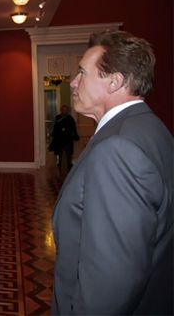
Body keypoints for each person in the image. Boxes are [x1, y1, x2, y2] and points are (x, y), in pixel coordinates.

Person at [52, 31, 173, 315]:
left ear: (115, 81)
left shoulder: (118, 148)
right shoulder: (151, 128)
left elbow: (109, 282)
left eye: (82, 73)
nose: (73, 82)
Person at [49, 105, 79, 170]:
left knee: (69, 153)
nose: (64, 111)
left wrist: (75, 135)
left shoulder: (70, 118)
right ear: (61, 110)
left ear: (68, 111)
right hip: (59, 139)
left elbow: (74, 128)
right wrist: (54, 134)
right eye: (63, 109)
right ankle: (59, 166)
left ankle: (69, 166)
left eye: (66, 110)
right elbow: (55, 127)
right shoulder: (58, 117)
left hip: (68, 139)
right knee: (59, 153)